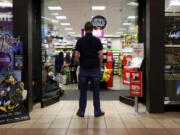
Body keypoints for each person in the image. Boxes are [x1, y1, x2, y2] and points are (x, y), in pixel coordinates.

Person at [75, 22, 104, 117]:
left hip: (84, 69)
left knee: (83, 91)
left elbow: (76, 55)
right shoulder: (97, 40)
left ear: (84, 29)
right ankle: (97, 111)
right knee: (96, 91)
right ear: (93, 29)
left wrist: (80, 63)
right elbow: (100, 55)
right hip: (95, 69)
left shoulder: (80, 41)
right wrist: (99, 65)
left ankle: (81, 112)